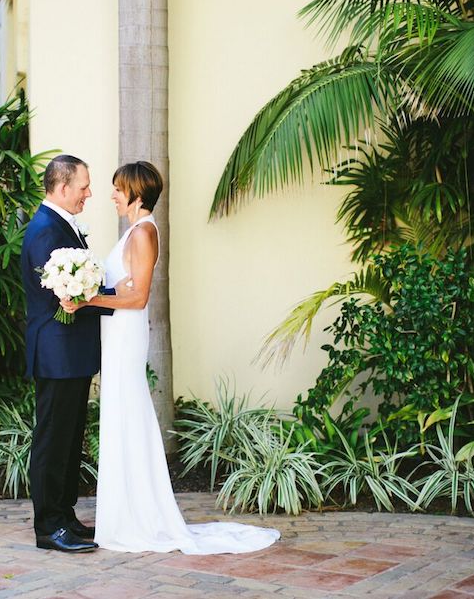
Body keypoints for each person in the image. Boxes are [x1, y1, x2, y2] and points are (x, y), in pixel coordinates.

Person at [62, 161, 280, 554]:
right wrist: (104, 288)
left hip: (126, 338)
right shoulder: (134, 231)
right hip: (116, 335)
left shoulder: (144, 232)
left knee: (128, 412)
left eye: (117, 188)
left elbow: (139, 296)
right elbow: (123, 288)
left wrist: (86, 298)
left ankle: (137, 516)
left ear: (137, 194)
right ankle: (125, 511)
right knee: (121, 413)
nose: (111, 194)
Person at [21, 155, 112, 554]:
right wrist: (119, 299)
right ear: (62, 188)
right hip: (56, 353)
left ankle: (65, 515)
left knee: (70, 438)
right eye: (83, 186)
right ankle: (48, 527)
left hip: (70, 353)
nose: (88, 193)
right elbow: (66, 292)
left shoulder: (62, 224)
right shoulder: (45, 229)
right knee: (52, 440)